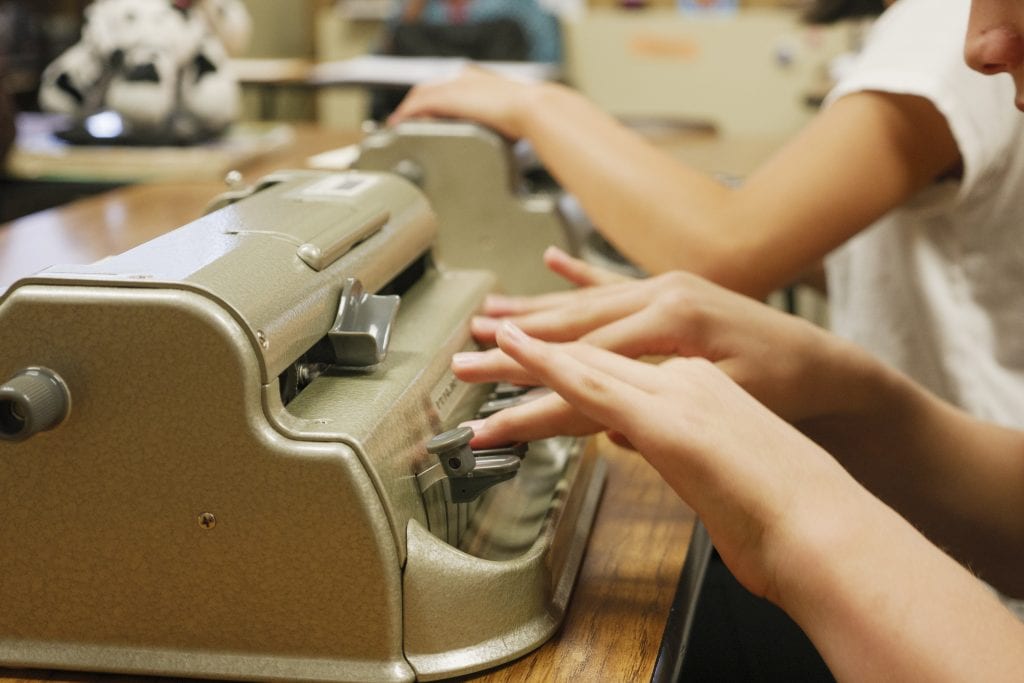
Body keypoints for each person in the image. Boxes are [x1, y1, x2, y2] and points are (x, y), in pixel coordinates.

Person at [414, 0, 1024, 676]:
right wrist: (839, 384)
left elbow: (726, 246)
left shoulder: (936, 30)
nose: (980, 46)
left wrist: (797, 511)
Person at [389, 0, 1024, 429]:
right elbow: (915, 255)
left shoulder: (944, 25)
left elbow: (725, 248)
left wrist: (536, 107)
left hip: (966, 523)